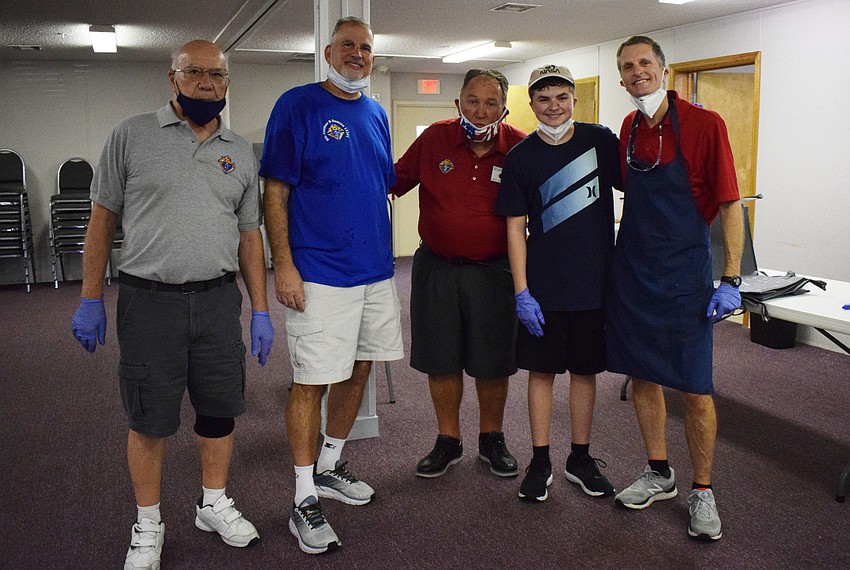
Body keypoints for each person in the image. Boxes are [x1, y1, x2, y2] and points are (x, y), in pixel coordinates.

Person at [70, 40, 274, 570]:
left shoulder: (238, 151)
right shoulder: (131, 135)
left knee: (218, 412)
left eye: (218, 75)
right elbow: (101, 221)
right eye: (196, 73)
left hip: (215, 302)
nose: (208, 83)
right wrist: (90, 297)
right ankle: (148, 523)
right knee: (150, 419)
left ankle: (213, 503)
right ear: (173, 78)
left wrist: (260, 309)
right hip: (149, 301)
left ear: (228, 83)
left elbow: (250, 233)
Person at [259, 16, 403, 555]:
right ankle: (301, 498)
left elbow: (377, 187)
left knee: (360, 367)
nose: (358, 55)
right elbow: (275, 192)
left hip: (375, 272)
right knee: (312, 381)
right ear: (327, 51)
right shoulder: (296, 105)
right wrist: (284, 265)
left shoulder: (377, 113)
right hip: (319, 273)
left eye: (366, 47)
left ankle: (329, 464)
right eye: (348, 45)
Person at [607, 36, 743, 541]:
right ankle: (658, 471)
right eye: (627, 66)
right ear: (621, 79)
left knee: (695, 388)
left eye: (645, 62)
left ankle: (702, 489)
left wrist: (730, 279)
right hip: (634, 274)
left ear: (663, 70)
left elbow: (730, 205)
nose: (637, 71)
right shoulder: (627, 128)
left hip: (686, 278)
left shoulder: (706, 125)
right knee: (643, 376)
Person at [392, 69, 525, 480]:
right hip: (437, 269)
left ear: (504, 107)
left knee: (493, 361)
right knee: (441, 357)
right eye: (472, 101)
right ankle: (447, 440)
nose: (480, 111)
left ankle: (492, 438)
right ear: (457, 103)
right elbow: (391, 182)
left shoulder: (521, 147)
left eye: (490, 103)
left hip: (495, 272)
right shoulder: (434, 139)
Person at [496, 65, 621, 503]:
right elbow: (514, 228)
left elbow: (642, 181)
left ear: (574, 100)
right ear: (531, 104)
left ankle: (580, 458)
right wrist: (522, 292)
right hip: (543, 290)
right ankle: (541, 459)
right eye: (544, 98)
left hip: (593, 285)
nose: (554, 107)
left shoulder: (601, 142)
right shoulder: (521, 157)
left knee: (585, 373)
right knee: (542, 373)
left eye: (562, 97)